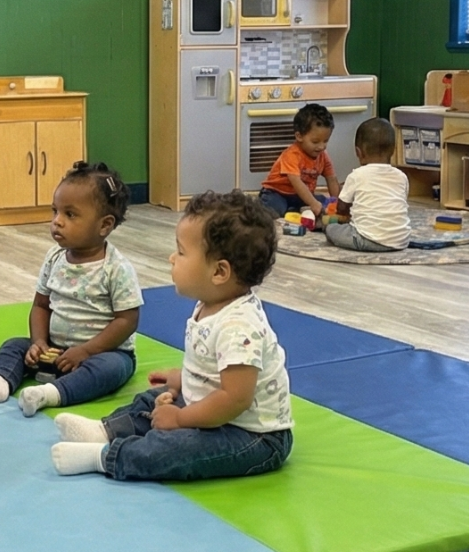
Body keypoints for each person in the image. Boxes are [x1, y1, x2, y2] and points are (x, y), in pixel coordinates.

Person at [50, 189, 294, 482]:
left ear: (219, 272)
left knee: (175, 448)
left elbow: (235, 398)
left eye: (180, 252)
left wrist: (179, 419)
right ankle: (105, 430)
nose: (171, 258)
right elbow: (218, 371)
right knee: (150, 401)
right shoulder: (211, 304)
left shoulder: (239, 326)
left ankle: (105, 457)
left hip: (252, 436)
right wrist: (185, 378)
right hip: (216, 411)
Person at [0, 161, 142, 418]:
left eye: (70, 215)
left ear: (104, 225)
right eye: (55, 211)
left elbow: (127, 320)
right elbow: (40, 305)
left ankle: (52, 393)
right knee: (13, 346)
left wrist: (86, 351)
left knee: (111, 369)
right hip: (54, 348)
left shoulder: (116, 268)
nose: (57, 222)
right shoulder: (55, 258)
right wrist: (39, 342)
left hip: (101, 352)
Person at [324, 117, 411, 252]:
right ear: (393, 150)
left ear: (359, 152)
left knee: (331, 229)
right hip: (400, 240)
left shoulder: (357, 175)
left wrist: (345, 216)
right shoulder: (402, 176)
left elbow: (341, 207)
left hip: (365, 239)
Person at [259, 103, 341, 219]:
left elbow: (331, 178)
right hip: (277, 193)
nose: (321, 146)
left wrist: (336, 202)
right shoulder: (292, 154)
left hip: (300, 196)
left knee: (324, 201)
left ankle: (294, 209)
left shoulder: (322, 156)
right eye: (315, 142)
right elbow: (297, 183)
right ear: (299, 136)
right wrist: (313, 204)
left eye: (325, 141)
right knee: (275, 209)